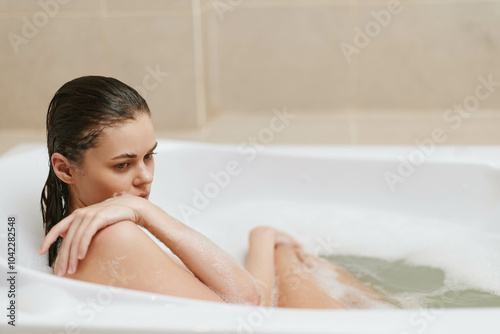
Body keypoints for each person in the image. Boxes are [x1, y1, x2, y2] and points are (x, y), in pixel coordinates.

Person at [38, 76, 391, 308]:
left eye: (149, 156)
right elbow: (247, 305)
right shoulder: (111, 238)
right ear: (65, 168)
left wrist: (262, 239)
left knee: (289, 258)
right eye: (122, 165)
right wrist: (145, 212)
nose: (145, 177)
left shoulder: (99, 231)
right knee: (294, 264)